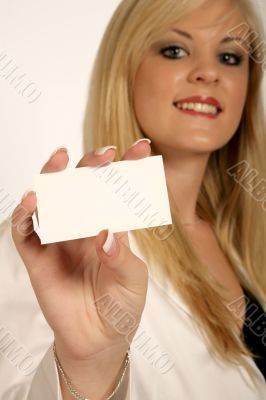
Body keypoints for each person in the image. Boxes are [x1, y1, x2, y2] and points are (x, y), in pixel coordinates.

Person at [1, 0, 266, 398]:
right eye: (174, 50)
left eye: (229, 56)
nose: (209, 73)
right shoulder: (55, 234)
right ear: (125, 69)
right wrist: (88, 365)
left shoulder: (250, 245)